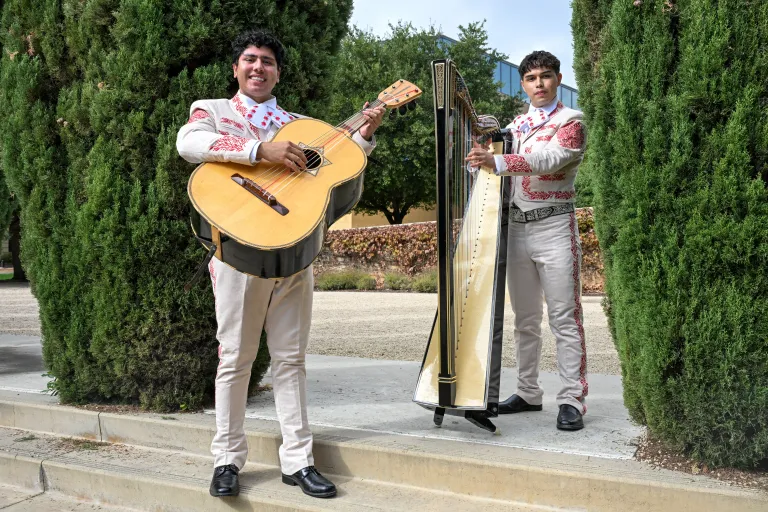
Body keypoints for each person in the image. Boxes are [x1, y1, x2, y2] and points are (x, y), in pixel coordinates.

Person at [176, 28, 385, 498]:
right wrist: (259, 150)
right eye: (249, 59)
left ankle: (298, 460)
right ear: (236, 68)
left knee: (291, 360)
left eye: (267, 61)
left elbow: (337, 183)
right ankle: (227, 458)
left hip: (294, 254)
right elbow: (189, 143)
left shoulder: (304, 125)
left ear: (277, 73)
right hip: (237, 254)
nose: (257, 67)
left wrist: (363, 139)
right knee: (235, 358)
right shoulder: (214, 110)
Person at [466, 50, 588, 431]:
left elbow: (550, 159)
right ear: (523, 84)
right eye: (532, 78)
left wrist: (498, 162)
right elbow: (491, 171)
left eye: (546, 76)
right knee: (525, 320)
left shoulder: (573, 121)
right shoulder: (516, 126)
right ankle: (528, 391)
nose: (539, 83)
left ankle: (572, 399)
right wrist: (480, 152)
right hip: (516, 228)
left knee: (565, 318)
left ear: (557, 78)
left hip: (555, 226)